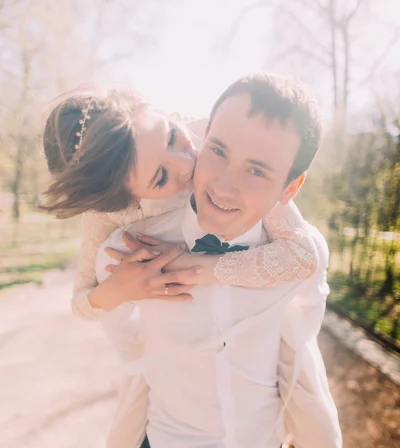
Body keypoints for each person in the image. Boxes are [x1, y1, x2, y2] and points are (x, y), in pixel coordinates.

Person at [91, 73, 342, 448]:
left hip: (256, 447)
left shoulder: (294, 254)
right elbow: (127, 342)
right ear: (201, 142)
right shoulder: (127, 252)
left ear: (289, 187)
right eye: (219, 151)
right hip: (170, 446)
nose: (224, 184)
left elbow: (308, 306)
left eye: (257, 170)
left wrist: (198, 269)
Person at [41, 88, 319, 323]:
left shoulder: (219, 138)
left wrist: (189, 266)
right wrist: (120, 290)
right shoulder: (106, 213)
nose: (189, 162)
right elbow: (81, 304)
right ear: (129, 200)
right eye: (160, 177)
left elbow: (303, 256)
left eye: (171, 135)